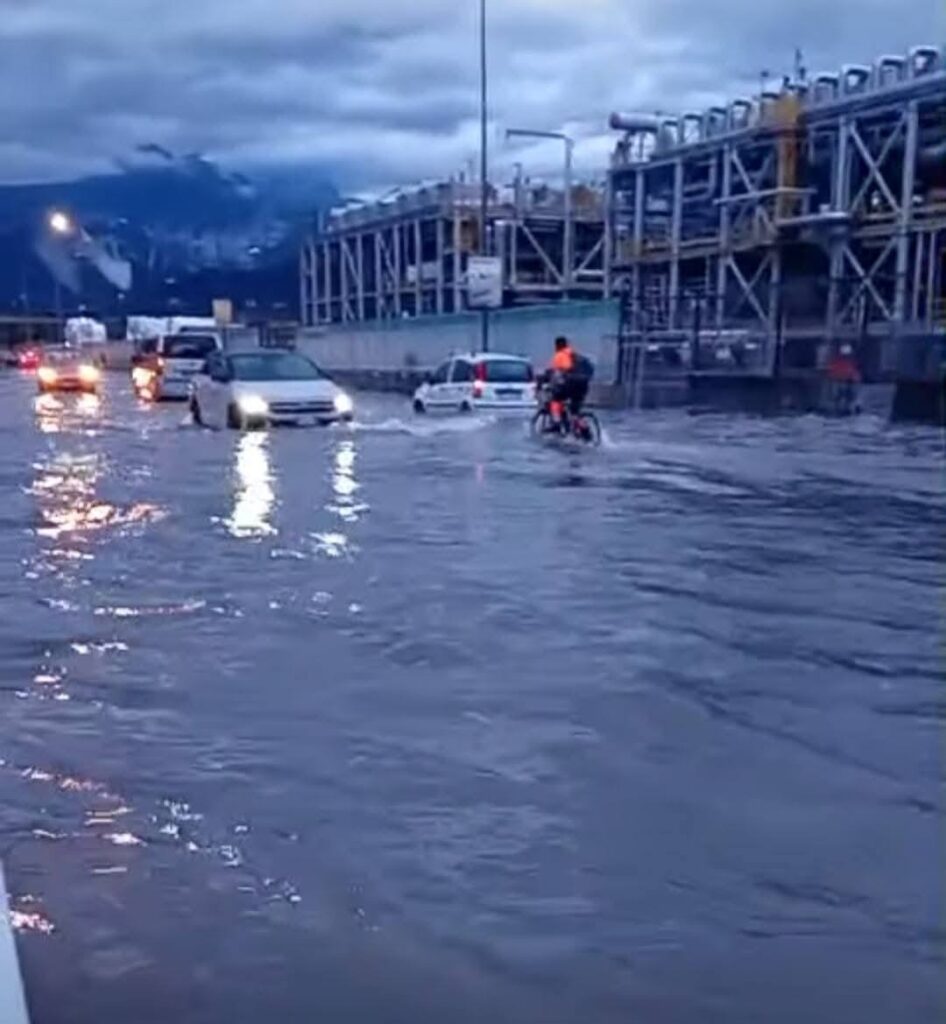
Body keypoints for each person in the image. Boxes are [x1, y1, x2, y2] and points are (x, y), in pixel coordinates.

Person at [543, 336, 594, 428]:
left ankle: (556, 422)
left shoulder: (560, 355)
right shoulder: (575, 355)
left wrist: (546, 379)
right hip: (583, 385)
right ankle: (584, 428)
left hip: (571, 384)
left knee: (555, 399)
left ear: (557, 346)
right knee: (574, 411)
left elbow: (560, 371)